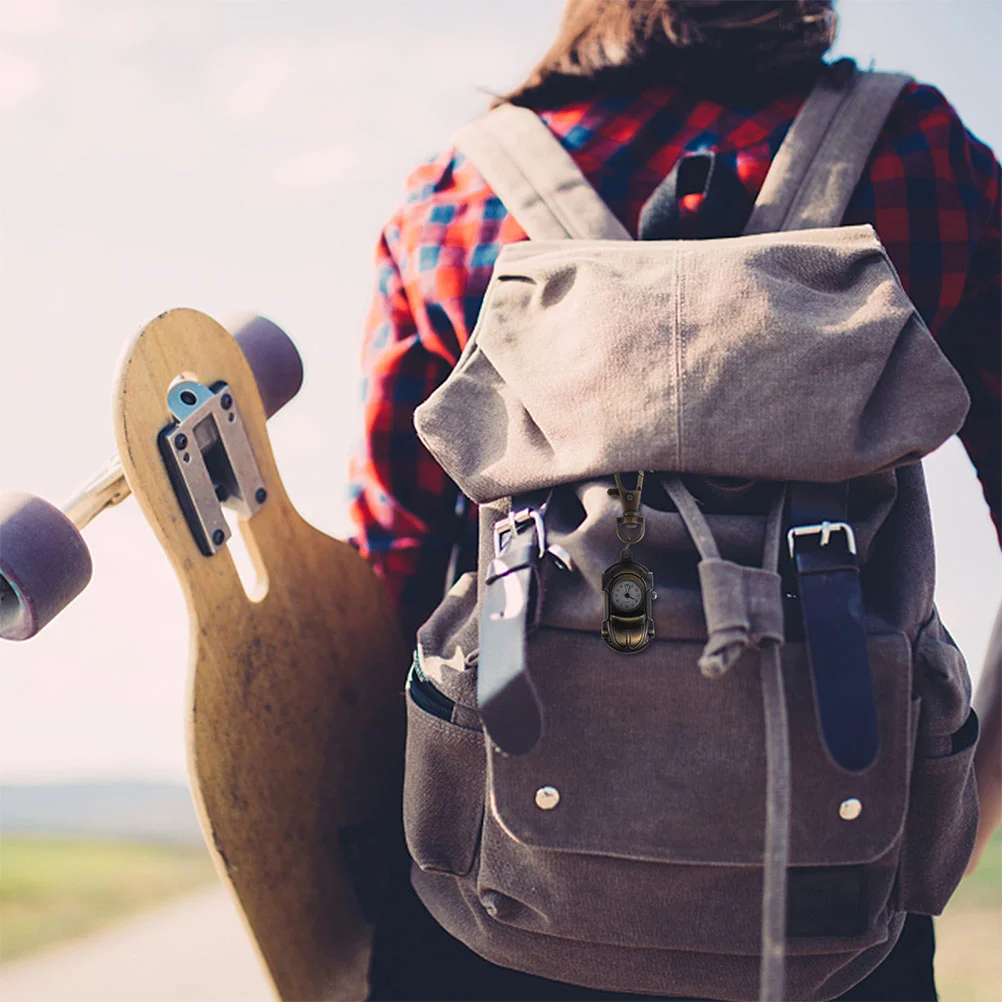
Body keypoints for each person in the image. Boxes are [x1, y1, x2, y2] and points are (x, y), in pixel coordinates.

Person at [347, 2, 1001, 999]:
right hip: (835, 927)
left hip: (492, 923)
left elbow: (385, 566)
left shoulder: (461, 191)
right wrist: (953, 812)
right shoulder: (918, 153)